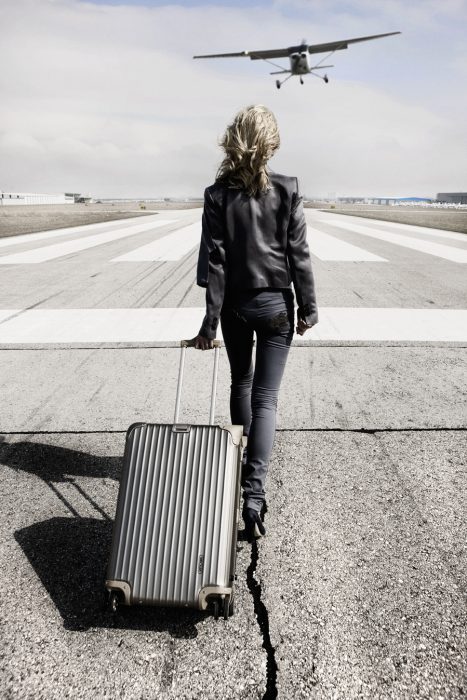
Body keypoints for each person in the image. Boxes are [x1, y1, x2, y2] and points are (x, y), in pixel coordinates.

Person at [193, 104, 318, 540]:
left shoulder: (216, 195)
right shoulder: (288, 189)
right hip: (277, 307)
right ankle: (253, 495)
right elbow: (298, 254)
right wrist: (309, 308)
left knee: (241, 386)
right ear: (271, 143)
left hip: (235, 308)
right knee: (266, 400)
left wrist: (209, 325)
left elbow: (215, 264)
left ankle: (238, 466)